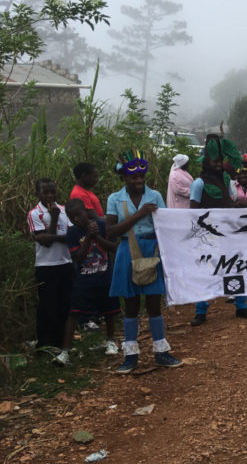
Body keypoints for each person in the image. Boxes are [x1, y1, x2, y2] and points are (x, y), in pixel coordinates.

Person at [105, 150, 182, 373]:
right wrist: (139, 215)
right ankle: (130, 356)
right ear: (124, 178)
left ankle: (161, 352)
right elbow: (110, 231)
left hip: (152, 250)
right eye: (133, 177)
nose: (138, 181)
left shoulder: (155, 196)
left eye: (141, 177)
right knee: (130, 305)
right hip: (126, 251)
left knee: (153, 304)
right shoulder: (114, 199)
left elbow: (166, 225)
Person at [190, 137, 247, 325]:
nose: (219, 165)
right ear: (206, 162)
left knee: (235, 267)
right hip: (208, 236)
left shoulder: (227, 180)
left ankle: (241, 305)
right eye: (215, 161)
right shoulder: (199, 184)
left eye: (220, 161)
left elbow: (230, 202)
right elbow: (193, 210)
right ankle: (201, 310)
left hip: (228, 234)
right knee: (206, 271)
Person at [58, 198, 120, 365]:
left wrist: (96, 236)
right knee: (74, 313)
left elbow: (113, 248)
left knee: (109, 312)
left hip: (104, 277)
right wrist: (88, 237)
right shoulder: (72, 233)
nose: (76, 219)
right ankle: (65, 351)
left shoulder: (100, 225)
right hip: (83, 281)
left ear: (86, 211)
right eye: (72, 217)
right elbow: (78, 257)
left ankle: (111, 341)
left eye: (79, 214)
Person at [28, 178, 73, 353]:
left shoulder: (64, 210)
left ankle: (63, 341)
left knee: (65, 302)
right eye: (45, 192)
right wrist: (53, 219)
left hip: (65, 262)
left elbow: (71, 236)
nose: (50, 195)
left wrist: (52, 236)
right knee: (48, 304)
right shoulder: (35, 213)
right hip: (46, 265)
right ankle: (46, 342)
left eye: (52, 191)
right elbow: (43, 241)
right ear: (37, 193)